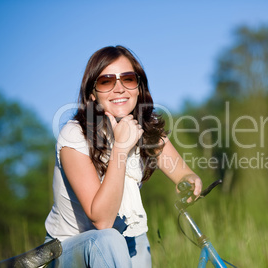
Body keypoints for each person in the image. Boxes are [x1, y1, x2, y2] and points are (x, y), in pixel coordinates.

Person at [44, 45, 202, 267]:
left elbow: (183, 173)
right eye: (106, 81)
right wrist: (120, 148)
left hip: (123, 241)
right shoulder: (74, 135)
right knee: (109, 239)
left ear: (138, 87)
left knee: (135, 239)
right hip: (68, 252)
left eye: (128, 79)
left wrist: (191, 180)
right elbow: (102, 220)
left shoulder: (143, 128)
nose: (119, 88)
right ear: (92, 92)